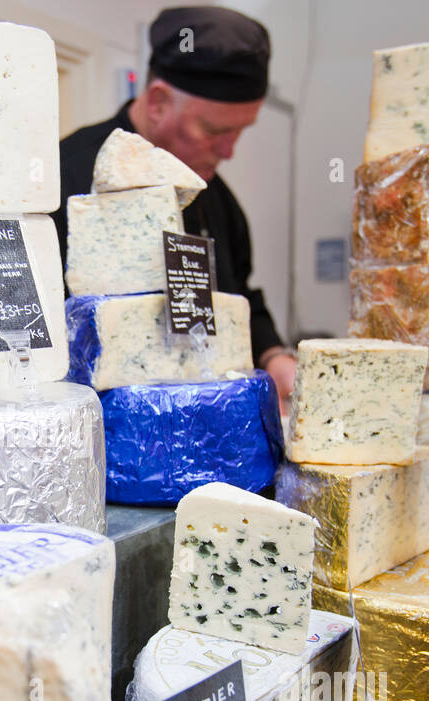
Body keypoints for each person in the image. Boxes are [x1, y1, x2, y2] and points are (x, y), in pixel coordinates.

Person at [54, 6, 297, 408]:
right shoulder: (67, 175)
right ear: (158, 102)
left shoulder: (216, 196)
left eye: (239, 132)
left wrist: (274, 357)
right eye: (215, 131)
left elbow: (241, 295)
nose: (229, 150)